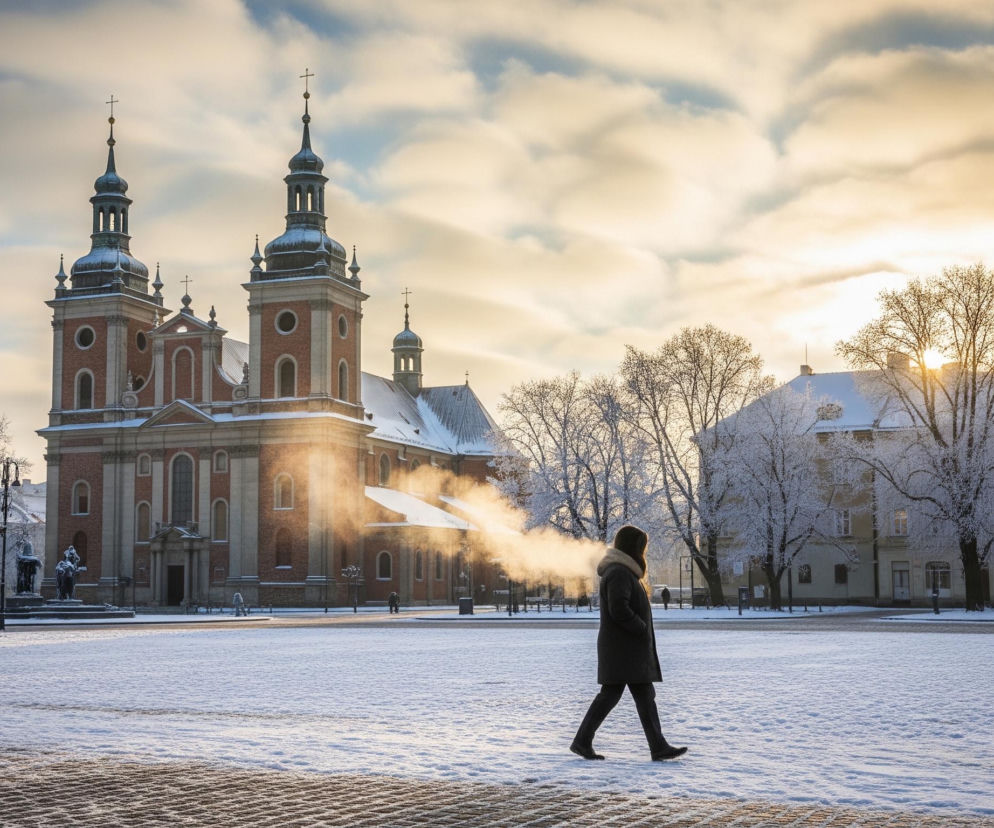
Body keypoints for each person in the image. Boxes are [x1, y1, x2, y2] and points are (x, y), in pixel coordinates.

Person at [571, 525, 687, 762]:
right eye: (641, 546)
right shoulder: (619, 573)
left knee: (635, 695)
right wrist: (640, 627)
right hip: (624, 650)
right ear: (632, 548)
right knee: (619, 695)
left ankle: (656, 745)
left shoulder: (623, 571)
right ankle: (585, 741)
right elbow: (619, 609)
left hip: (625, 650)